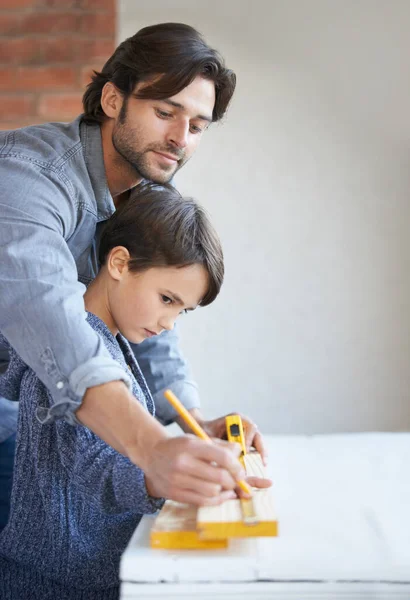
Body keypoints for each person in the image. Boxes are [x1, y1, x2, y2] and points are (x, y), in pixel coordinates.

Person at [0, 22, 268, 530]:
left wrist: (189, 424)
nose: (179, 138)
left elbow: (151, 328)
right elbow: (56, 326)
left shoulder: (150, 197)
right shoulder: (27, 179)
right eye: (165, 112)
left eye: (197, 125)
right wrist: (154, 447)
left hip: (28, 417)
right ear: (112, 100)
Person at [0, 184, 271, 600]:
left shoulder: (111, 342)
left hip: (90, 573)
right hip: (53, 584)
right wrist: (167, 480)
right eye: (166, 299)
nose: (168, 323)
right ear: (120, 263)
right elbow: (89, 465)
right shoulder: (68, 356)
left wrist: (191, 451)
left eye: (182, 310)